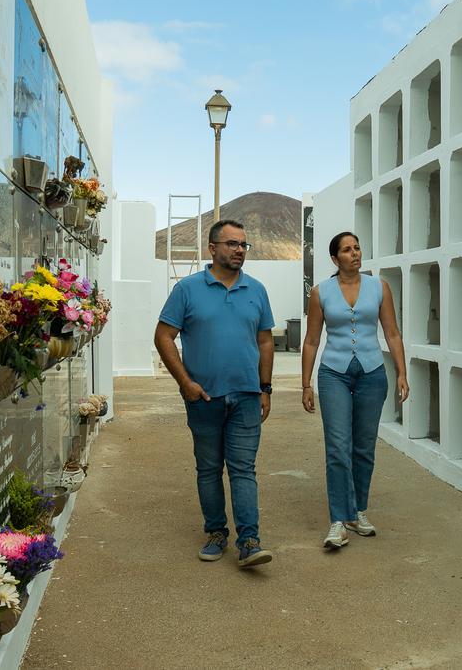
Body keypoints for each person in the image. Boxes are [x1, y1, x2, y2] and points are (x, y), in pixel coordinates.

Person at [154, 219, 276, 568]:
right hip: (204, 398)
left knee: (243, 469)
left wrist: (265, 387)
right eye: (232, 244)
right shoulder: (187, 289)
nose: (239, 250)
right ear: (212, 248)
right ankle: (216, 533)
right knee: (208, 469)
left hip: (247, 396)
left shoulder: (256, 290)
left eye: (243, 245)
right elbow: (163, 336)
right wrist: (185, 383)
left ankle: (249, 541)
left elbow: (265, 341)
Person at [301, 231, 408, 550]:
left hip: (372, 373)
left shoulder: (379, 287)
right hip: (334, 373)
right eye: (347, 250)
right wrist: (305, 384)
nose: (355, 253)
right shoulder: (320, 292)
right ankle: (338, 520)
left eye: (357, 248)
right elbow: (311, 340)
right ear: (335, 259)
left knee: (364, 447)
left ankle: (357, 511)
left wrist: (402, 372)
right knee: (337, 446)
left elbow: (392, 332)